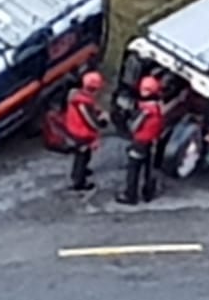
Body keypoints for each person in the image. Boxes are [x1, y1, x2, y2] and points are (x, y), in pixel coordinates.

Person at [116, 76, 166, 206]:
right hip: (152, 141)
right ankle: (148, 193)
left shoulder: (146, 111)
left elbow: (134, 127)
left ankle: (130, 195)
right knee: (149, 168)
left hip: (140, 142)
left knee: (133, 169)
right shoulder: (158, 106)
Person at [62, 71, 108, 191]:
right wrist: (101, 123)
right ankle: (79, 181)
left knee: (81, 154)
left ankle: (78, 173)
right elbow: (90, 120)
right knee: (82, 156)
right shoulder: (83, 102)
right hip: (81, 133)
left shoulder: (76, 95)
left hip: (74, 128)